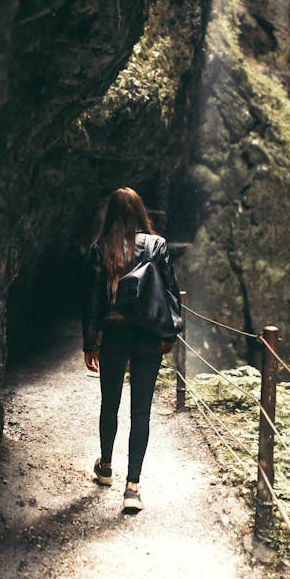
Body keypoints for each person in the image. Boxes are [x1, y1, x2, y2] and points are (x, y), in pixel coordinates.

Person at [82, 187, 181, 513]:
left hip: (113, 336)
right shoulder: (156, 245)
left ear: (111, 213)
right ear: (141, 212)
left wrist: (89, 342)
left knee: (109, 404)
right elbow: (169, 291)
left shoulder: (101, 248)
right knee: (141, 411)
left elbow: (93, 299)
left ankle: (106, 468)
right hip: (149, 336)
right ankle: (133, 488)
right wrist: (172, 333)